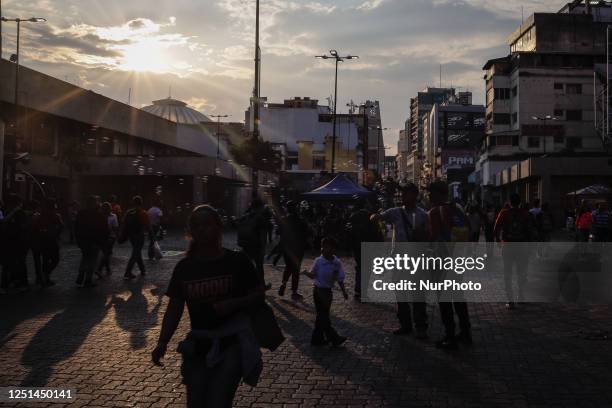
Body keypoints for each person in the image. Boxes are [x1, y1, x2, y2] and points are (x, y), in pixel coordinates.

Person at [151, 205, 265, 407]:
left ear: (218, 227)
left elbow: (258, 294)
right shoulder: (185, 267)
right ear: (190, 231)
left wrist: (235, 303)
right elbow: (174, 307)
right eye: (196, 225)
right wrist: (162, 341)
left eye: (206, 224)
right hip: (199, 342)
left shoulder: (237, 261)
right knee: (195, 402)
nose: (201, 229)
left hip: (232, 342)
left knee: (219, 402)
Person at [371, 183, 430, 338]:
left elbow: (429, 236)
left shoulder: (423, 215)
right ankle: (405, 324)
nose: (403, 197)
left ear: (415, 195)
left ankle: (421, 326)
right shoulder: (395, 212)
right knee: (401, 294)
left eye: (406, 194)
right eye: (402, 194)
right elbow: (379, 216)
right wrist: (374, 216)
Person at [427, 180, 472, 350]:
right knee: (459, 298)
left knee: (444, 301)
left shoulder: (434, 212)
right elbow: (469, 228)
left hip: (442, 262)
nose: (429, 196)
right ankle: (465, 332)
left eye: (430, 193)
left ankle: (450, 336)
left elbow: (433, 238)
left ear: (437, 194)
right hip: (457, 260)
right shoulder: (458, 208)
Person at [303, 237, 348, 347]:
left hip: (327, 293)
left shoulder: (336, 263)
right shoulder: (318, 261)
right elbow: (313, 275)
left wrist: (344, 292)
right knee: (323, 316)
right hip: (318, 291)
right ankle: (334, 338)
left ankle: (317, 339)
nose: (324, 249)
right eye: (323, 246)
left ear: (333, 249)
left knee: (321, 316)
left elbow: (340, 278)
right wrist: (305, 272)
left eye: (328, 247)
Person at [494, 193, 532, 309]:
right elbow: (529, 231)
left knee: (508, 273)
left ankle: (510, 301)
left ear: (510, 202)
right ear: (520, 202)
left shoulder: (504, 213)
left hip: (508, 246)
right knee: (521, 272)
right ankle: (521, 296)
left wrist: (498, 241)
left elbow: (496, 228)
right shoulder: (525, 214)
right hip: (521, 246)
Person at [348, 199, 383, 299]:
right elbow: (377, 233)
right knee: (366, 269)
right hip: (368, 246)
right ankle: (363, 291)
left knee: (359, 267)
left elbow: (350, 232)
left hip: (357, 246)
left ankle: (358, 290)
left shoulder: (353, 216)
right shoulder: (370, 216)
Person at [278, 201, 309, 300]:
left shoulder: (284, 219)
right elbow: (306, 233)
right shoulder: (301, 220)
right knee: (295, 269)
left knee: (288, 267)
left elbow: (279, 232)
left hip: (287, 247)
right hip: (298, 248)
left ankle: (283, 283)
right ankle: (294, 292)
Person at [237, 199, 272, 288]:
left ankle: (244, 285)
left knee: (245, 267)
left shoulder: (245, 216)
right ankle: (261, 285)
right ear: (260, 207)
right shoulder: (260, 218)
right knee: (259, 267)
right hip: (256, 247)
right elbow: (263, 235)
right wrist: (263, 249)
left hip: (245, 245)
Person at [75, 195, 109, 287]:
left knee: (85, 257)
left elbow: (76, 227)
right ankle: (88, 280)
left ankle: (80, 275)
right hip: (95, 241)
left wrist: (78, 239)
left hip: (83, 241)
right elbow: (105, 230)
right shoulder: (99, 215)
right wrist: (104, 242)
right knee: (92, 261)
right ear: (95, 204)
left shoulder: (81, 213)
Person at [31, 198, 63, 287]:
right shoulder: (55, 215)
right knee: (54, 259)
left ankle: (42, 277)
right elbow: (61, 227)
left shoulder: (39, 215)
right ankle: (45, 276)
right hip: (50, 240)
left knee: (43, 260)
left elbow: (34, 228)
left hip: (40, 240)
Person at [1, 194, 30, 291]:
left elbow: (22, 227)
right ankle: (15, 282)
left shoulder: (19, 213)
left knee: (17, 263)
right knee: (12, 263)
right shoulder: (8, 212)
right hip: (12, 242)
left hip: (17, 242)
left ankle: (19, 283)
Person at [120, 195, 151, 279]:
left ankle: (142, 269)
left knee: (137, 251)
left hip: (131, 236)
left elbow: (124, 223)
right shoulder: (143, 213)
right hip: (139, 235)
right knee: (135, 253)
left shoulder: (129, 212)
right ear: (141, 203)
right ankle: (128, 271)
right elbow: (148, 226)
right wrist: (151, 236)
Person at [98, 202, 119, 276]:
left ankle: (107, 268)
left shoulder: (99, 216)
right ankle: (99, 269)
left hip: (101, 237)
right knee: (107, 253)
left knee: (106, 253)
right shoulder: (113, 216)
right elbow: (115, 227)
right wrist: (117, 236)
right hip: (110, 237)